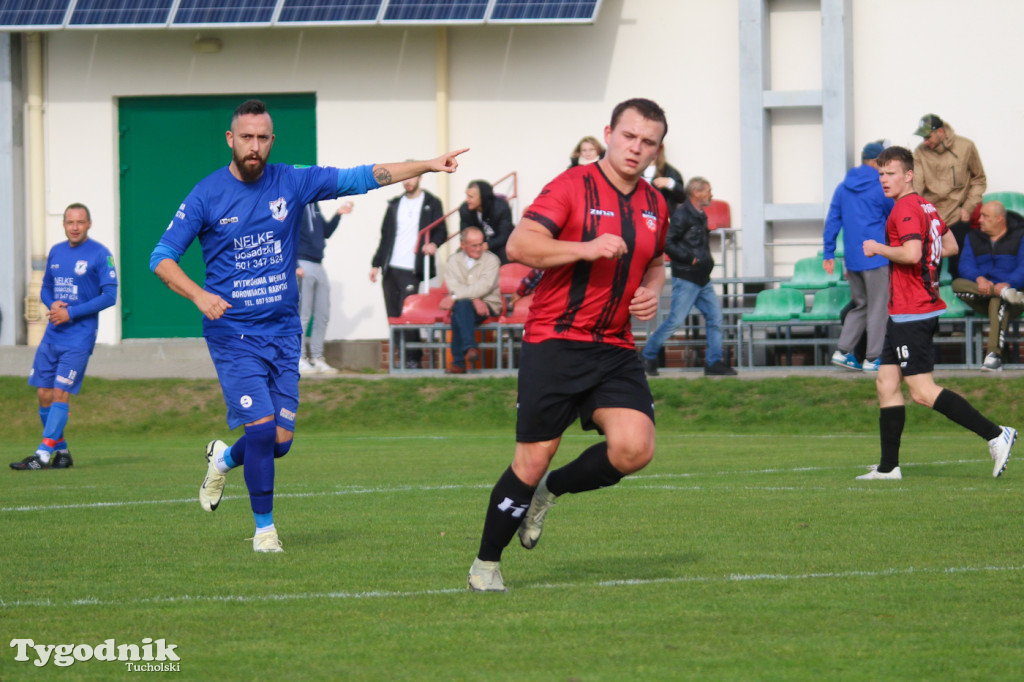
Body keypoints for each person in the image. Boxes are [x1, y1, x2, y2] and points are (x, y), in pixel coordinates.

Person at [150, 99, 466, 552]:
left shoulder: (291, 181)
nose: (254, 146)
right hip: (233, 335)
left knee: (277, 442)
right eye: (246, 137)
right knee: (260, 430)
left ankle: (222, 458)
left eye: (262, 138)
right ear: (230, 140)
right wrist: (199, 295)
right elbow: (160, 258)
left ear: (271, 141)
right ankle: (265, 532)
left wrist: (429, 165)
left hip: (282, 333)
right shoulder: (206, 195)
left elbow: (362, 176)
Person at [467, 98, 670, 592]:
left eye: (648, 142)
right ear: (609, 133)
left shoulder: (655, 203)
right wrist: (585, 247)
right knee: (531, 458)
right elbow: (518, 246)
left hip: (615, 347)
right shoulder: (571, 186)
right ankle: (486, 566)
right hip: (556, 340)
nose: (636, 149)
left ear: (657, 150)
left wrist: (652, 292)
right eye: (629, 137)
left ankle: (550, 491)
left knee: (634, 448)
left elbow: (656, 261)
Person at [857, 146, 1015, 482]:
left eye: (891, 173)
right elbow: (951, 246)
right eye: (881, 174)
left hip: (913, 312)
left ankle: (995, 434)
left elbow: (913, 254)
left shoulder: (905, 209)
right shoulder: (926, 205)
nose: (884, 180)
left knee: (921, 391)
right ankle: (888, 468)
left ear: (909, 175)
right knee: (886, 383)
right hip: (903, 311)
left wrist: (877, 247)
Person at [11, 203, 118, 471]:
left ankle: (43, 454)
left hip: (79, 338)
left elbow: (109, 296)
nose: (74, 227)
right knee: (44, 394)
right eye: (70, 222)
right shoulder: (56, 251)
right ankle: (62, 452)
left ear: (89, 224)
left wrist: (71, 314)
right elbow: (46, 287)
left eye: (80, 222)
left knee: (60, 392)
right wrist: (53, 304)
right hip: (52, 335)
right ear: (64, 224)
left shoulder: (100, 254)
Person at [640, 176, 736, 377]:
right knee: (675, 321)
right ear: (696, 193)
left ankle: (713, 363)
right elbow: (667, 242)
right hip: (686, 277)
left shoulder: (700, 214)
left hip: (702, 277)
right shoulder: (682, 215)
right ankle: (647, 357)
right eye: (707, 190)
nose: (711, 194)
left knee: (715, 318)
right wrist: (689, 258)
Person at [825, 140, 894, 372]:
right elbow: (893, 215)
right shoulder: (880, 186)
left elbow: (833, 220)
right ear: (875, 162)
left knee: (861, 306)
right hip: (876, 257)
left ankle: (843, 351)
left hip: (853, 260)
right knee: (878, 308)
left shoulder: (843, 187)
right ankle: (873, 358)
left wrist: (829, 252)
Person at [371, 173, 447, 369]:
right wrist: (376, 264)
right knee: (394, 314)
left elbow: (441, 231)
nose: (407, 181)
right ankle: (401, 358)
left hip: (413, 268)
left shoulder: (431, 203)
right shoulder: (394, 204)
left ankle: (414, 359)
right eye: (404, 178)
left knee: (409, 314)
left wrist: (434, 244)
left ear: (420, 178)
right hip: (391, 268)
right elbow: (384, 237)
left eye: (411, 178)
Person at [952, 200, 1024, 371]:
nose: (980, 220)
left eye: (985, 216)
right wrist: (979, 279)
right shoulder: (973, 236)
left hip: (1014, 297)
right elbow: (965, 265)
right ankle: (1001, 293)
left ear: (999, 219)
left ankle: (993, 355)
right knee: (957, 284)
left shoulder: (1020, 235)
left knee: (996, 302)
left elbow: (1023, 267)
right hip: (981, 292)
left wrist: (1008, 284)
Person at [912, 114, 987, 279]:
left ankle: (963, 303)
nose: (925, 141)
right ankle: (932, 303)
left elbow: (979, 179)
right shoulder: (920, 152)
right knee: (929, 269)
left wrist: (968, 207)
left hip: (958, 216)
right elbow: (916, 187)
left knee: (960, 269)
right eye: (922, 137)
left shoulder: (965, 147)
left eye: (928, 136)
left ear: (940, 132)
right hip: (932, 217)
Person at [297, 200, 352, 375]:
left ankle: (317, 357)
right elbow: (286, 236)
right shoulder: (294, 205)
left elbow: (325, 232)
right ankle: (298, 358)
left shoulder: (315, 206)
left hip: (318, 265)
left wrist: (338, 214)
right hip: (302, 264)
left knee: (322, 315)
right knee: (303, 315)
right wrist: (293, 264)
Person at [439, 226, 502, 374]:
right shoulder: (453, 260)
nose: (479, 248)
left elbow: (484, 286)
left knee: (460, 308)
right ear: (463, 245)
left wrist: (458, 297)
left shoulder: (492, 260)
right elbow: (453, 285)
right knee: (462, 308)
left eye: (481, 244)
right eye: (474, 245)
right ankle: (470, 347)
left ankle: (459, 362)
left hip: (488, 304)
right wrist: (473, 298)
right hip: (466, 305)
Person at [459, 180, 514, 264]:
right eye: (467, 196)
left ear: (482, 197)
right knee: (459, 256)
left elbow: (504, 235)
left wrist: (488, 245)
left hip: (499, 245)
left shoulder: (501, 207)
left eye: (471, 197)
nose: (467, 200)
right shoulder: (465, 209)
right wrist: (476, 245)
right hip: (477, 245)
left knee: (507, 254)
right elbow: (465, 233)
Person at [642, 146, 685, 216]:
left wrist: (669, 183)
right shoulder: (635, 169)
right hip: (638, 215)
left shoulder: (669, 171)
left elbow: (681, 197)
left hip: (662, 217)